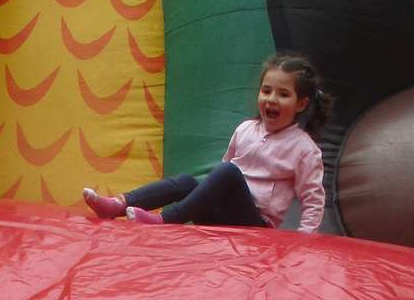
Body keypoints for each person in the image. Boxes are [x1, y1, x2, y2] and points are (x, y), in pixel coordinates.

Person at [81, 54, 330, 231]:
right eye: (266, 91)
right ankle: (118, 204)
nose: (271, 99)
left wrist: (303, 239)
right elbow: (221, 179)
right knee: (188, 181)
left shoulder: (303, 149)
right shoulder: (246, 129)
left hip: (254, 224)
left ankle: (165, 220)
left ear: (301, 104)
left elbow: (313, 199)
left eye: (283, 94)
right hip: (221, 215)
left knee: (228, 171)